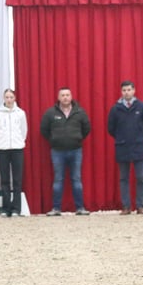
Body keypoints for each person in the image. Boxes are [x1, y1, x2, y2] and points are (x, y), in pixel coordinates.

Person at [40, 87, 91, 216]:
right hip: (57, 151)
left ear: (71, 96)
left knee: (76, 179)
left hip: (76, 150)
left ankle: (80, 208)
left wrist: (77, 139)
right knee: (58, 180)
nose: (65, 97)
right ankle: (56, 208)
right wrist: (54, 140)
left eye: (67, 95)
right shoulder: (50, 113)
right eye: (62, 95)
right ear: (58, 98)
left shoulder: (80, 112)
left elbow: (87, 128)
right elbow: (44, 130)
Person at [107, 80, 143, 215]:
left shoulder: (142, 107)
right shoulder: (115, 109)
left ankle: (140, 206)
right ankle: (126, 206)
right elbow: (111, 128)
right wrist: (121, 138)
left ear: (134, 91)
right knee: (124, 178)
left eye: (129, 90)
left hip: (139, 147)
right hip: (123, 147)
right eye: (124, 90)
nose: (126, 92)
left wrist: (140, 137)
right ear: (121, 92)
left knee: (140, 177)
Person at [0, 88, 28, 217]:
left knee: (17, 180)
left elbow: (24, 130)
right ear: (3, 99)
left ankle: (16, 208)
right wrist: (2, 141)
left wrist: (18, 141)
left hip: (17, 149)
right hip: (3, 149)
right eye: (7, 97)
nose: (9, 99)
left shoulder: (20, 113)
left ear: (15, 98)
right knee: (5, 179)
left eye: (11, 97)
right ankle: (6, 208)